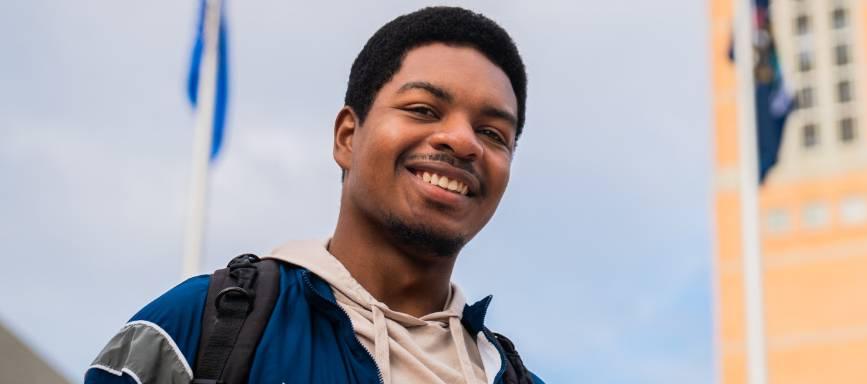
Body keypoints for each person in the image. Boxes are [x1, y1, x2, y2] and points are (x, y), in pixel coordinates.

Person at [86, 6, 541, 384]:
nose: (464, 142)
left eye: (492, 133)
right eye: (423, 109)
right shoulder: (195, 328)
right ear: (347, 136)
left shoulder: (514, 377)